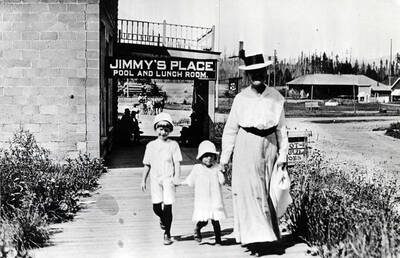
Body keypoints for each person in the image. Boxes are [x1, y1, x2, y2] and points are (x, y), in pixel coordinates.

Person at [219, 53, 289, 254]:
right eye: (252, 72)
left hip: (269, 145)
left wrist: (283, 155)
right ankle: (255, 238)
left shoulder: (276, 97)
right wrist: (225, 160)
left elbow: (282, 130)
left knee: (268, 191)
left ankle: (268, 236)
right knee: (250, 192)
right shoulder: (241, 99)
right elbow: (231, 129)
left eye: (260, 71)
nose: (257, 75)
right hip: (246, 144)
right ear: (248, 75)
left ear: (266, 72)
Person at [141, 112, 182, 245]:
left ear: (169, 130)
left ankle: (167, 234)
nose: (163, 132)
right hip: (155, 180)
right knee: (156, 207)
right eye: (160, 129)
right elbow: (147, 164)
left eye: (166, 129)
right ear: (156, 129)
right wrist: (143, 180)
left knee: (168, 207)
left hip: (168, 179)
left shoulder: (173, 145)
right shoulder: (151, 146)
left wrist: (176, 177)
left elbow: (177, 163)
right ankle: (163, 219)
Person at [179, 140, 226, 245]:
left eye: (211, 156)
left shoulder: (217, 168)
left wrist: (222, 173)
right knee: (204, 220)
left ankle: (218, 239)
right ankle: (197, 228)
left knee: (215, 220)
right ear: (201, 157)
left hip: (215, 199)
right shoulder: (197, 168)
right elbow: (190, 180)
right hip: (203, 199)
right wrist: (181, 183)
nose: (209, 158)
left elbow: (222, 181)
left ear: (215, 157)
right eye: (206, 156)